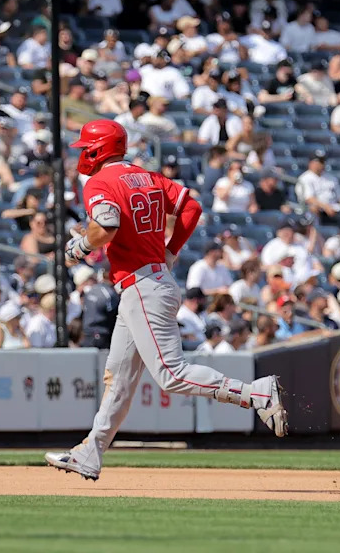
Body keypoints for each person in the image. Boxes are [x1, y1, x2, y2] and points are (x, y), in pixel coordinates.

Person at [45, 119, 287, 481]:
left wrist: (80, 245)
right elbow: (191, 208)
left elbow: (106, 225)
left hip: (142, 285)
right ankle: (89, 454)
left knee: (171, 374)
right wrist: (171, 250)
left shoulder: (100, 181)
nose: (84, 154)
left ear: (99, 150)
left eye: (86, 148)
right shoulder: (147, 176)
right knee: (120, 379)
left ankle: (256, 394)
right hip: (150, 281)